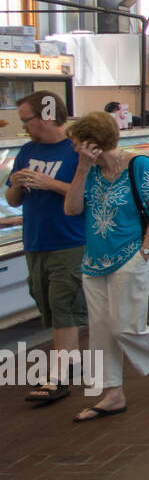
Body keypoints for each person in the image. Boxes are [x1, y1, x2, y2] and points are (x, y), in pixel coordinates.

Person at [63, 112, 149, 422]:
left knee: (125, 326)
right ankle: (113, 393)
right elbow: (71, 208)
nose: (73, 148)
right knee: (102, 331)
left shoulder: (138, 165)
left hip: (130, 256)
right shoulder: (89, 171)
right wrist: (81, 169)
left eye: (76, 143)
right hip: (94, 262)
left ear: (93, 143)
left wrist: (144, 252)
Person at [6, 92, 87, 405]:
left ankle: (57, 377)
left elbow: (87, 197)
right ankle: (74, 364)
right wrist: (16, 182)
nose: (24, 126)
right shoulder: (26, 150)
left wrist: (49, 183)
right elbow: (14, 201)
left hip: (69, 242)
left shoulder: (76, 151)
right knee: (50, 308)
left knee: (63, 306)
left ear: (47, 116)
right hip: (35, 241)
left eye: (27, 119)